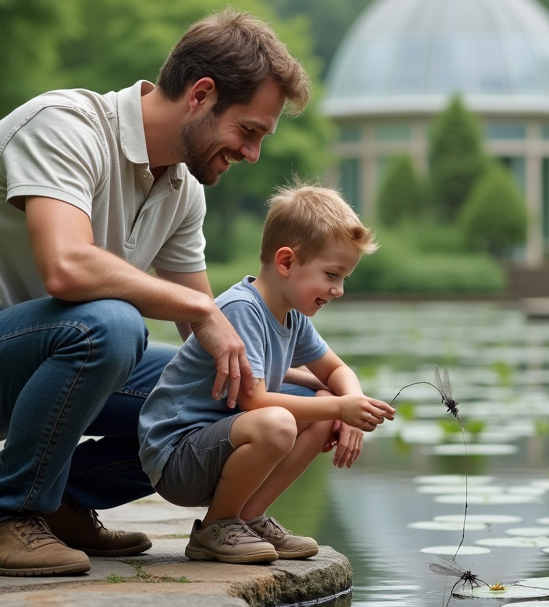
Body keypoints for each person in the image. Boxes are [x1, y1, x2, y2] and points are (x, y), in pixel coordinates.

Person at [0, 9, 313, 577]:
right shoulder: (65, 126)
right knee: (112, 324)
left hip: (45, 360)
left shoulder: (182, 188)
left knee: (247, 393)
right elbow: (66, 268)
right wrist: (199, 308)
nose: (252, 153)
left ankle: (63, 504)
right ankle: (0, 517)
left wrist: (276, 375)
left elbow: (205, 337)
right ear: (201, 95)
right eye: (249, 131)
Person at [138, 183, 395, 563]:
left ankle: (245, 516)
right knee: (279, 421)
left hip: (221, 444)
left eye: (344, 279)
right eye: (332, 274)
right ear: (286, 262)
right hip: (178, 457)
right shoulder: (242, 308)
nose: (338, 290)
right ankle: (215, 526)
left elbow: (337, 369)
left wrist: (349, 405)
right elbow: (253, 400)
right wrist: (342, 408)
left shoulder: (293, 316)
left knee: (323, 404)